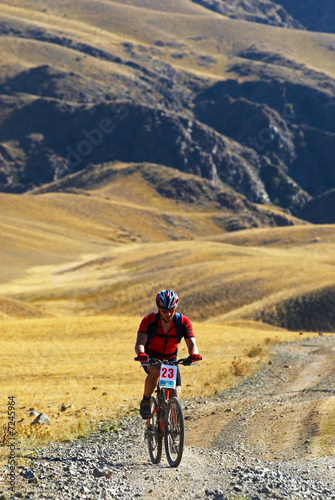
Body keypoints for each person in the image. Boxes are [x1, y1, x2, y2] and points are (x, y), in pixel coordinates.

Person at [135, 289, 202, 419]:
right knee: (156, 370)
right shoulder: (148, 321)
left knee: (175, 392)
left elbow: (192, 344)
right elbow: (139, 342)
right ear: (159, 309)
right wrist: (141, 354)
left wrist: (194, 354)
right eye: (164, 311)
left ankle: (173, 425)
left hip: (171, 358)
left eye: (171, 310)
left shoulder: (183, 322)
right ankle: (146, 401)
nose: (168, 314)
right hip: (151, 357)